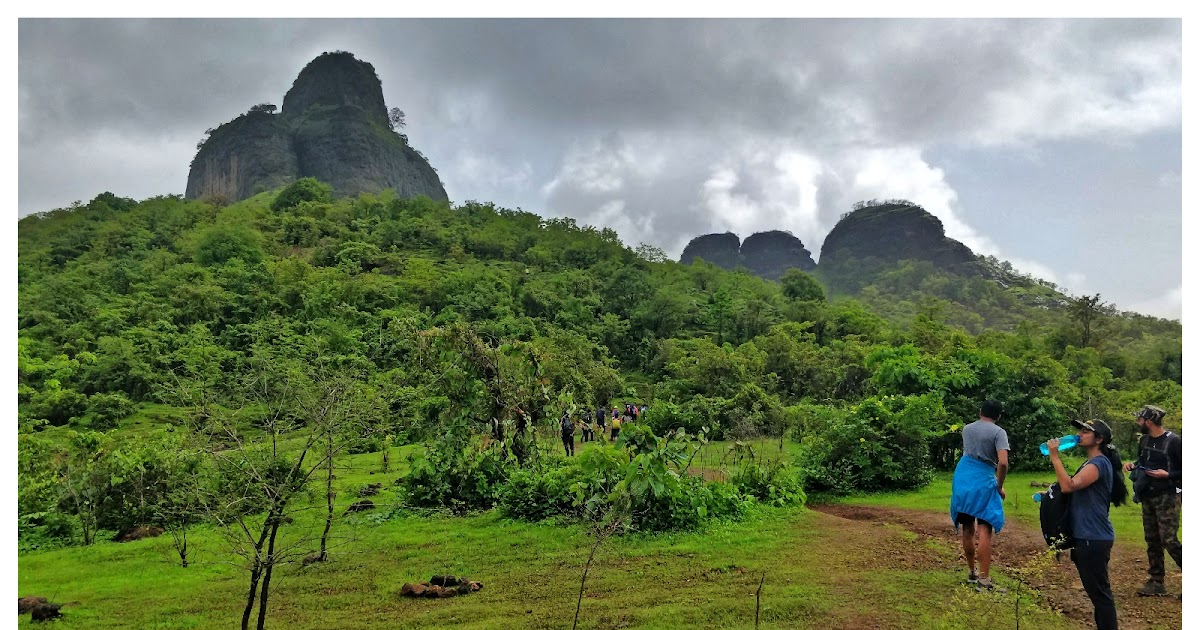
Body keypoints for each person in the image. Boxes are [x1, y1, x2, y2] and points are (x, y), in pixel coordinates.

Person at [1047, 418, 1128, 630]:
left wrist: (1054, 456)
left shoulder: (1099, 463)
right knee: (1097, 594)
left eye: (1086, 431)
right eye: (1080, 430)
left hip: (1094, 537)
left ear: (1099, 439)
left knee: (1101, 596)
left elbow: (1068, 486)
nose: (1080, 434)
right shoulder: (1091, 463)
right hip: (1087, 536)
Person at [949, 399, 1009, 591]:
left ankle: (972, 573)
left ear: (980, 411)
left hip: (963, 478)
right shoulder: (999, 432)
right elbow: (1003, 463)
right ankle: (984, 580)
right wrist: (999, 486)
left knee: (967, 528)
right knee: (984, 528)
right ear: (998, 416)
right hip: (983, 480)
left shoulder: (967, 429)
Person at [1123, 405, 1182, 597]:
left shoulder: (1174, 442)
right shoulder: (1145, 440)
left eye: (1140, 420)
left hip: (1168, 495)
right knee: (1152, 539)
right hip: (1147, 494)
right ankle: (1156, 581)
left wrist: (1168, 474)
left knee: (1169, 539)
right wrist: (1134, 466)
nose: (1138, 423)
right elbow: (1143, 462)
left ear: (1148, 422)